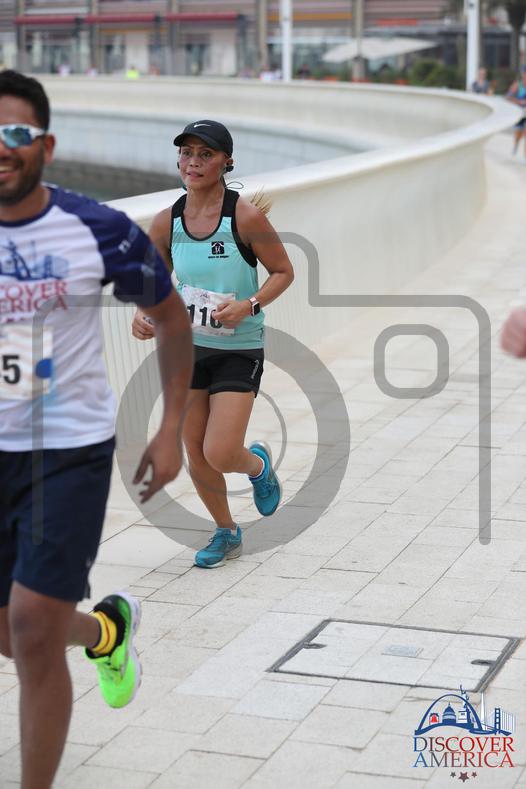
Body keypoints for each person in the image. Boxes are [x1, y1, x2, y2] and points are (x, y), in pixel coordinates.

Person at [0, 70, 193, 789]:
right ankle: (106, 631)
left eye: (16, 133)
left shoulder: (96, 228)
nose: (2, 147)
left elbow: (171, 319)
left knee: (30, 629)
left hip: (65, 450)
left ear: (46, 146)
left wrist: (170, 429)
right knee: (14, 633)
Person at [132, 119, 294, 568]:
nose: (193, 162)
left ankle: (257, 466)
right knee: (195, 450)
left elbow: (283, 272)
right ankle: (226, 531)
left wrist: (249, 304)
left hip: (239, 347)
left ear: (227, 162)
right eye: (186, 153)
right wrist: (143, 313)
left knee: (220, 451)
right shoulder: (167, 221)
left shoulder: (244, 216)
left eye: (205, 154)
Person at [506, 67, 526, 156]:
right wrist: (519, 101)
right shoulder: (517, 85)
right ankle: (516, 145)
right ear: (522, 74)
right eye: (524, 73)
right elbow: (508, 97)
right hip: (520, 113)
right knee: (518, 133)